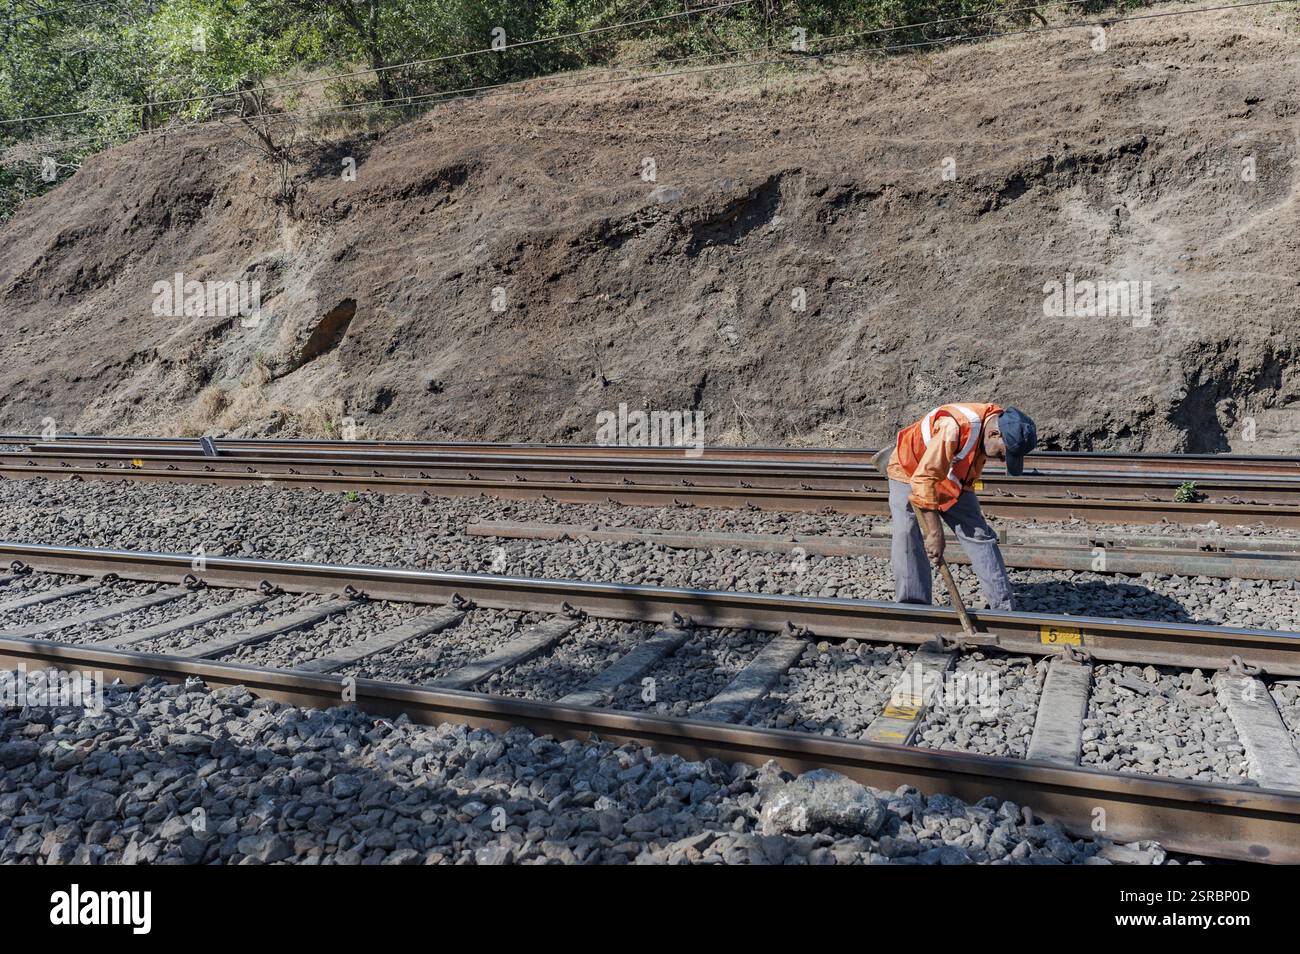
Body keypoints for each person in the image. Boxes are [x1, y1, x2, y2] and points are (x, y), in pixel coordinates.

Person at [880, 403, 1037, 611]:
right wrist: (935, 533)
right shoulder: (953, 427)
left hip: (951, 477)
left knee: (979, 534)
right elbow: (924, 480)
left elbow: (964, 467)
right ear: (994, 434)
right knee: (907, 533)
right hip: (910, 469)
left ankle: (1004, 607)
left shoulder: (995, 422)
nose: (1001, 460)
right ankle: (913, 606)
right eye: (1002, 454)